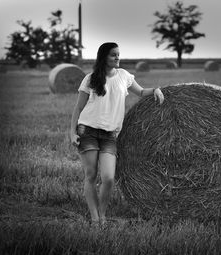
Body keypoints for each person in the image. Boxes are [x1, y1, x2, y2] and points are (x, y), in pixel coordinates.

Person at [70, 42, 164, 224]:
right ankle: (96, 218)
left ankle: (103, 213)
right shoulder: (90, 79)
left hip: (110, 135)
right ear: (104, 57)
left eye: (118, 54)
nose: (117, 57)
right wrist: (72, 133)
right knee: (90, 175)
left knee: (108, 178)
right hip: (87, 130)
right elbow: (78, 107)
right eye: (113, 55)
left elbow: (142, 91)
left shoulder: (124, 76)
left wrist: (156, 90)